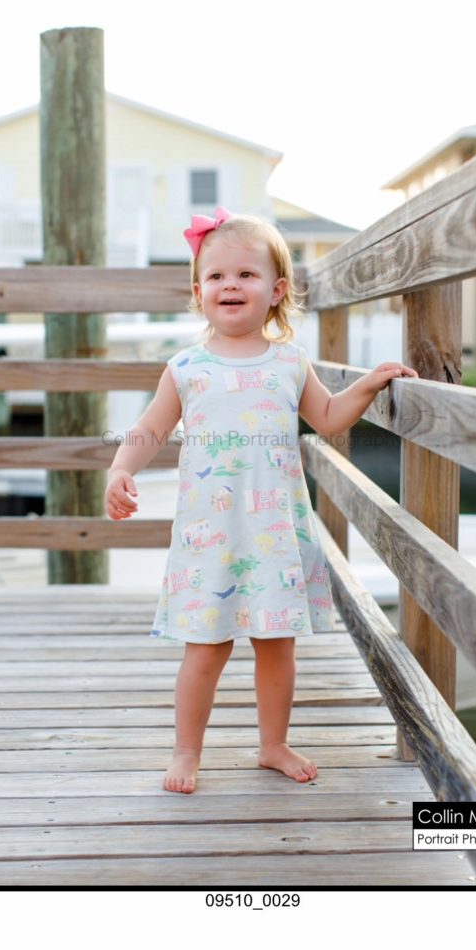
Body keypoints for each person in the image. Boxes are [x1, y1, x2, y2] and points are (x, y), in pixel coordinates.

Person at [104, 206, 418, 794]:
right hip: (210, 536)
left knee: (277, 646)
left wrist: (368, 384)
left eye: (246, 275)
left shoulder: (289, 362)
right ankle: (186, 751)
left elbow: (328, 418)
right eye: (216, 276)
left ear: (276, 291)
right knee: (206, 649)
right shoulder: (187, 368)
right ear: (198, 292)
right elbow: (148, 429)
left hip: (274, 533)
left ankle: (272, 744)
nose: (230, 285)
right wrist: (120, 468)